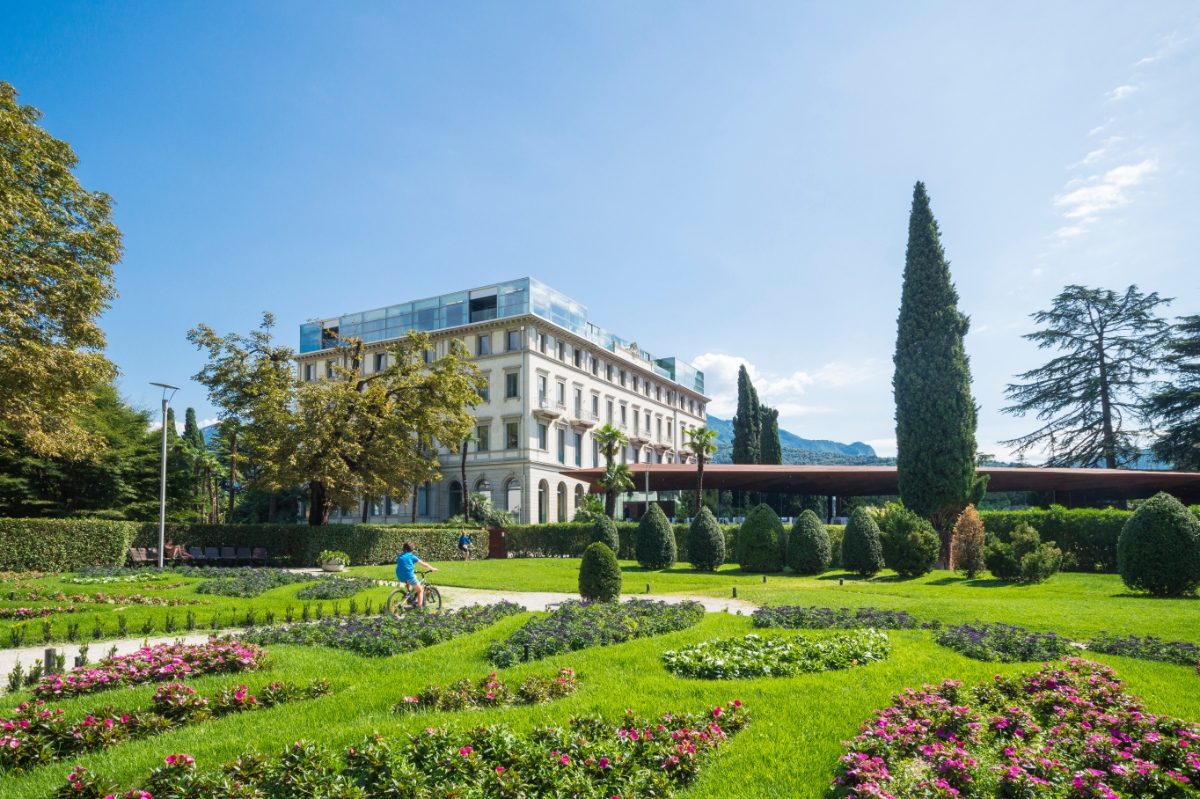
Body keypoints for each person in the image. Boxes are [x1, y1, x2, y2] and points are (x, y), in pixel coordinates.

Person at [395, 541, 437, 607]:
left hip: (399, 575)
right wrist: (432, 568)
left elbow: (404, 565)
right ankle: (420, 609)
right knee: (420, 590)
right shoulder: (412, 556)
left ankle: (409, 596)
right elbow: (424, 565)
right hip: (408, 575)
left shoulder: (400, 556)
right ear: (412, 549)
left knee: (411, 578)